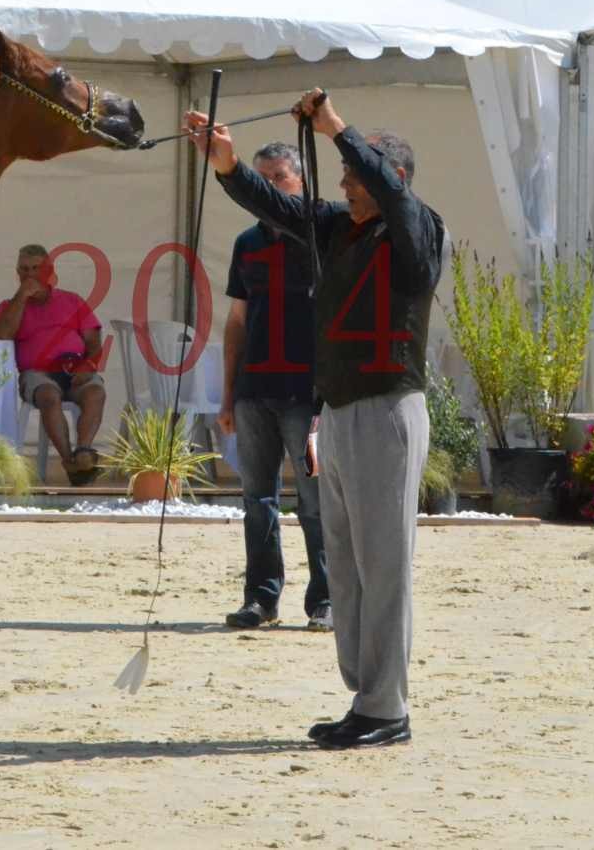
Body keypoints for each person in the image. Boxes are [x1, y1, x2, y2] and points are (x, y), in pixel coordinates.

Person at [188, 89, 446, 750]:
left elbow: (388, 195)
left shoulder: (417, 229)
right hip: (337, 410)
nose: (346, 188)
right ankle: (367, 695)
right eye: (344, 181)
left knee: (383, 561)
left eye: (357, 179)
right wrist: (227, 165)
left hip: (387, 408)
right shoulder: (338, 228)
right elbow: (278, 207)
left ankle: (386, 707)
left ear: (393, 180)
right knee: (350, 555)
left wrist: (335, 128)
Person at [217, 143, 331, 632]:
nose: (267, 187)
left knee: (316, 502)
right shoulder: (247, 243)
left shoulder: (320, 238)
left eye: (279, 177)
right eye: (261, 178)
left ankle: (326, 600)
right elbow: (236, 323)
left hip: (307, 395)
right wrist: (227, 395)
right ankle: (261, 598)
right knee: (256, 499)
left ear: (301, 183)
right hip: (254, 390)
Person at [0, 243, 106, 485]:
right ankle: (70, 462)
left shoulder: (72, 301)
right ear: (17, 273)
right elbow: (2, 334)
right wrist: (22, 297)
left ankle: (84, 451)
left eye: (36, 268)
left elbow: (94, 343)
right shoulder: (9, 306)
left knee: (96, 391)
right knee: (48, 396)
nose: (29, 274)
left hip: (75, 369)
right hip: (37, 375)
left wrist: (88, 365)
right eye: (23, 269)